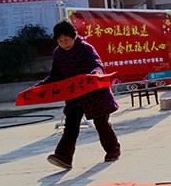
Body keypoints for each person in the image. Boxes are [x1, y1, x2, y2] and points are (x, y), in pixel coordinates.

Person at [43, 20, 120, 169]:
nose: (64, 43)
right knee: (71, 125)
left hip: (95, 92)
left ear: (74, 36)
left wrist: (94, 74)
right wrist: (40, 86)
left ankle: (113, 150)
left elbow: (97, 65)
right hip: (74, 94)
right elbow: (55, 75)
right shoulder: (58, 53)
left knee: (101, 123)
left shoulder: (85, 48)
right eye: (60, 41)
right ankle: (63, 157)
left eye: (66, 40)